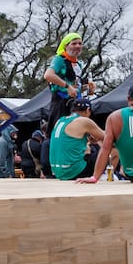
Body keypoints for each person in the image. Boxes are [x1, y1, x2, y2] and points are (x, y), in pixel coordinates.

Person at [40, 32, 96, 174]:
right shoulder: (59, 60)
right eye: (74, 43)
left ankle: (75, 162)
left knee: (78, 132)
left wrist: (88, 88)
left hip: (74, 103)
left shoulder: (79, 64)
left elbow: (76, 86)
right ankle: (54, 167)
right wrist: (67, 86)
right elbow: (48, 75)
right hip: (60, 102)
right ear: (66, 46)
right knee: (58, 132)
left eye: (79, 43)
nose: (77, 46)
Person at [48, 97, 105, 179]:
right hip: (74, 171)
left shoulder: (60, 120)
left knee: (87, 150)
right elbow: (106, 136)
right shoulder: (83, 121)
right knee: (112, 149)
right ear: (88, 110)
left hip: (57, 171)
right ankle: (107, 175)